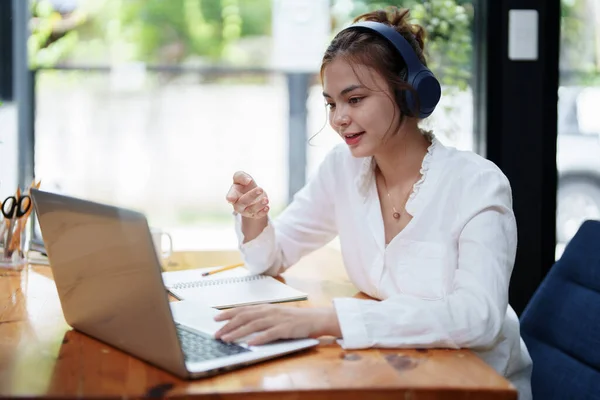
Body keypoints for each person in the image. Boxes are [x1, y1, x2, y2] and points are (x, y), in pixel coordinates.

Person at [216, 6, 532, 399]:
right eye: (332, 103)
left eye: (356, 99)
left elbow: (477, 317)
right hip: (394, 371)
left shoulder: (477, 184)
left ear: (411, 92)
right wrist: (253, 219)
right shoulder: (343, 170)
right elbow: (270, 257)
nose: (339, 119)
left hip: (471, 384)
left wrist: (325, 321)